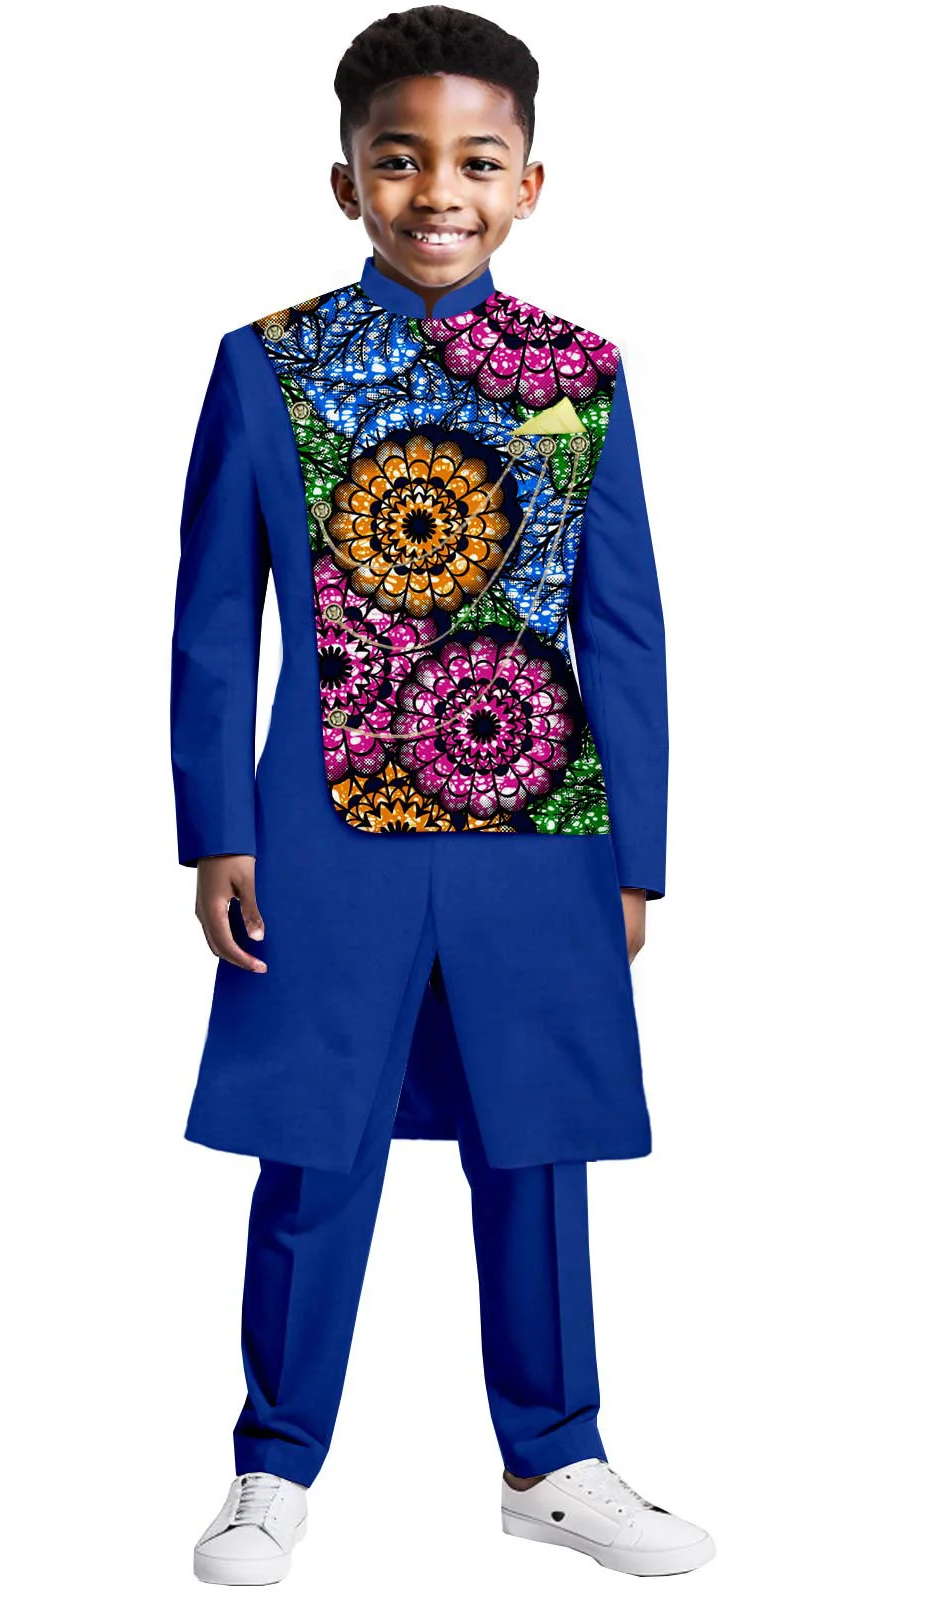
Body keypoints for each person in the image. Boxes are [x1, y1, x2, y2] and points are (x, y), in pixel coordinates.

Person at [171, 5, 712, 1583]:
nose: (438, 193)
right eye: (399, 159)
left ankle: (557, 1457)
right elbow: (215, 612)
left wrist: (639, 853)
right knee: (311, 1142)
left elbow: (623, 622)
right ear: (347, 180)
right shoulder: (266, 365)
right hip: (320, 825)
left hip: (539, 826)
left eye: (478, 162)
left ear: (529, 183)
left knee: (536, 1144)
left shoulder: (577, 373)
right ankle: (272, 1466)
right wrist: (215, 827)